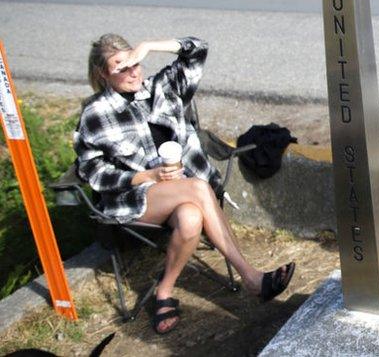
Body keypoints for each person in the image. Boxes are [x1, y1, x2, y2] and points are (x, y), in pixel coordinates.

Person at [74, 35, 295, 335]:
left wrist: (150, 45)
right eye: (121, 68)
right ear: (103, 74)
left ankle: (163, 292)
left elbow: (198, 49)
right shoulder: (95, 114)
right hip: (135, 198)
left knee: (191, 217)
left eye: (136, 63)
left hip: (183, 190)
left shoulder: (162, 87)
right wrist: (146, 177)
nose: (133, 73)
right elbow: (92, 171)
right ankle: (252, 278)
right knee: (200, 189)